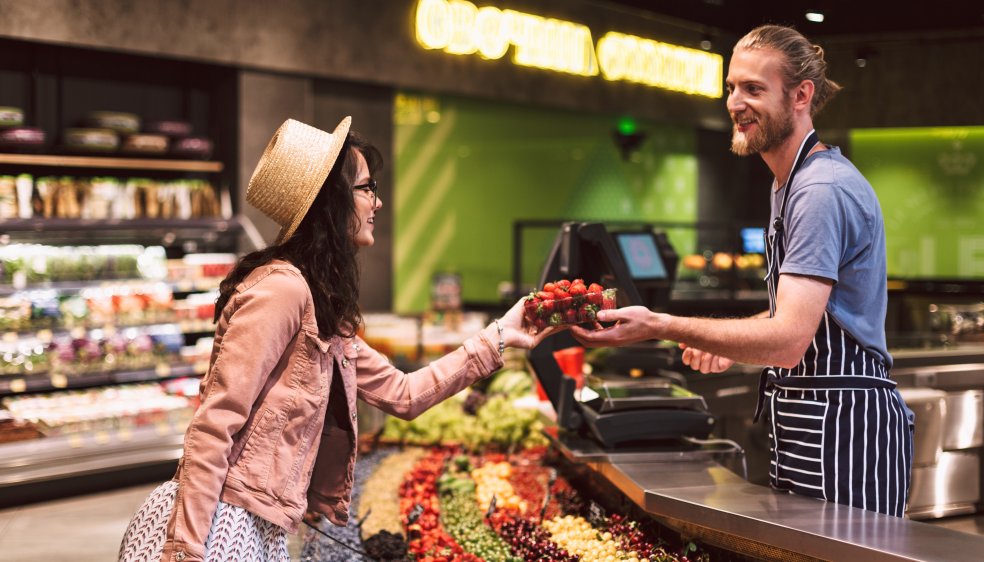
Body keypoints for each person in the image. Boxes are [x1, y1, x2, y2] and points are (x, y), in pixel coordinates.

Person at [118, 117, 552, 562]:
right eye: (367, 188)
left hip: (259, 523)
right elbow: (215, 422)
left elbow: (404, 395)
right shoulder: (281, 290)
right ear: (332, 201)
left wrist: (502, 334)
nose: (377, 202)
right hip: (223, 521)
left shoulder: (320, 306)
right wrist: (184, 550)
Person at [572, 25, 913, 517]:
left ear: (801, 96)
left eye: (754, 89)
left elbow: (790, 339)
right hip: (808, 420)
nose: (735, 102)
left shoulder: (821, 190)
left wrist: (659, 326)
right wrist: (727, 342)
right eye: (731, 87)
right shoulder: (787, 184)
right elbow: (803, 316)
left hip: (846, 429)